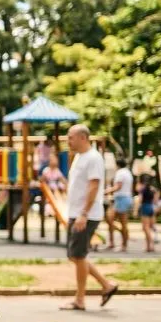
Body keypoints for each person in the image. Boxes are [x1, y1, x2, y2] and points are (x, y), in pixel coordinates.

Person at [61, 124, 119, 311]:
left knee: (78, 255)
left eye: (71, 137)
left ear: (83, 138)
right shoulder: (79, 156)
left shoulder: (93, 158)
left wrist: (83, 214)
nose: (68, 140)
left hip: (85, 215)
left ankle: (80, 299)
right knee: (76, 255)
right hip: (76, 213)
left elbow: (94, 187)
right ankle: (106, 285)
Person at [104, 158, 134, 252]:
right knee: (110, 219)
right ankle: (115, 242)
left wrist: (105, 192)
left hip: (121, 198)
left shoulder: (120, 173)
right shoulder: (128, 172)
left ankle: (122, 244)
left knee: (117, 221)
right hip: (125, 198)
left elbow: (118, 187)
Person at [137, 174, 160, 253]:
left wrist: (136, 210)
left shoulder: (142, 189)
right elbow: (156, 200)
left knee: (145, 228)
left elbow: (140, 200)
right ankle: (148, 247)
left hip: (145, 207)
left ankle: (151, 245)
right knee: (150, 227)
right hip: (151, 207)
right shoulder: (153, 189)